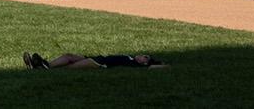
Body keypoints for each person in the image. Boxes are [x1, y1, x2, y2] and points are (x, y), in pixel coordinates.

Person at [23, 53, 165, 69]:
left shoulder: (134, 64)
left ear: (145, 63)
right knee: (68, 56)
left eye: (145, 57)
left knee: (71, 66)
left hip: (100, 63)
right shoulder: (130, 57)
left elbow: (155, 67)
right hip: (98, 58)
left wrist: (161, 64)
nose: (142, 55)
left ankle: (40, 65)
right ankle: (44, 64)